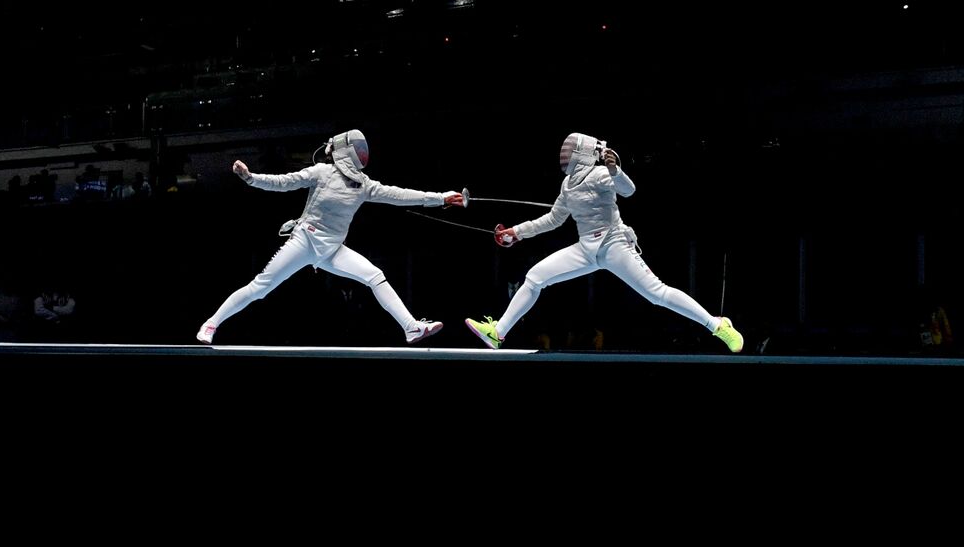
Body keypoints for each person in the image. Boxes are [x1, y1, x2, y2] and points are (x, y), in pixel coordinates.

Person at [464, 133, 743, 352]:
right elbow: (553, 219)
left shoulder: (600, 174)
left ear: (583, 153)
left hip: (614, 244)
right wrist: (516, 232)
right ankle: (498, 333)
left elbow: (628, 190)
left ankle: (717, 325)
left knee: (657, 294)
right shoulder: (567, 185)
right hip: (586, 249)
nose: (564, 155)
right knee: (535, 277)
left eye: (570, 150)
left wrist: (615, 171)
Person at [196, 129, 465, 345]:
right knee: (260, 288)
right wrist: (251, 178)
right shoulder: (322, 172)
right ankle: (211, 323)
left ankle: (411, 327)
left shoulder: (364, 185)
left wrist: (440, 198)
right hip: (305, 241)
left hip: (333, 249)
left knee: (374, 275)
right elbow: (283, 182)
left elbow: (400, 195)